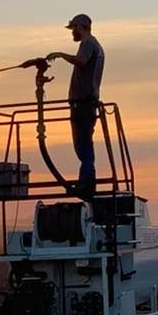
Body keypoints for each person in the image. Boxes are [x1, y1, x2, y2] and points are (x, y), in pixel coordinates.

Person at [47, 14, 105, 197]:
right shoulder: (95, 45)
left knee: (83, 146)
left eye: (73, 28)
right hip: (86, 103)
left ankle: (86, 183)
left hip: (83, 104)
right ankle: (86, 182)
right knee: (84, 146)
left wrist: (60, 54)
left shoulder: (88, 44)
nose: (72, 32)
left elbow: (81, 62)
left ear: (80, 27)